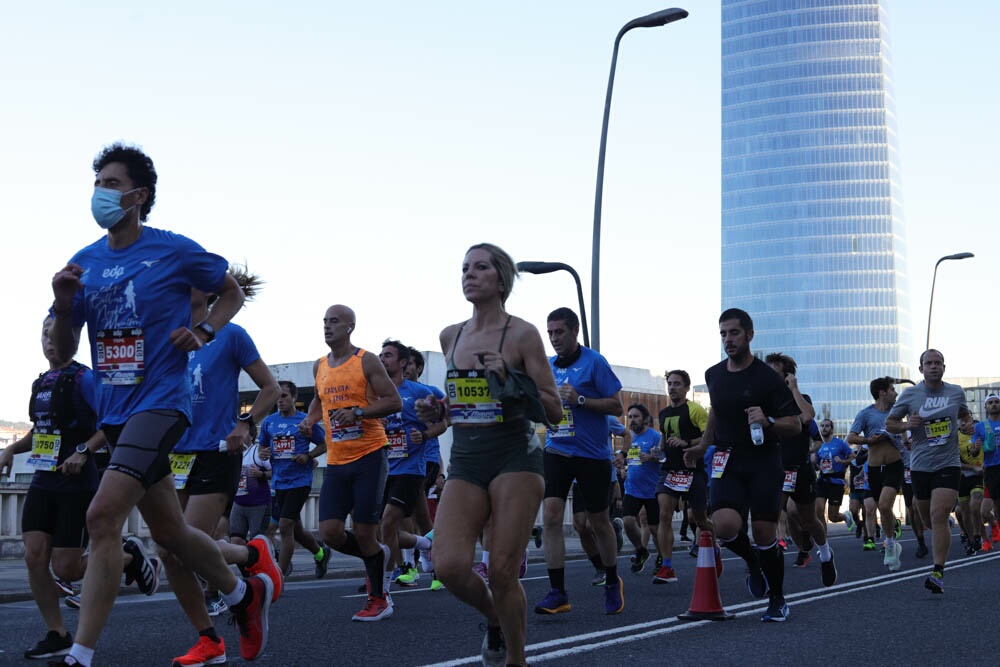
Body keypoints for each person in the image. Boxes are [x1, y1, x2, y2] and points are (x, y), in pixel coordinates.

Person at [49, 143, 273, 665]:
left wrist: (204, 330)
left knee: (103, 516)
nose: (100, 193)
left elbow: (231, 292)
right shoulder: (84, 262)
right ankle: (244, 594)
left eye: (110, 184)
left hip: (163, 404)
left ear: (138, 195)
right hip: (116, 413)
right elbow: (63, 352)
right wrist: (63, 307)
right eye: (97, 183)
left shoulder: (172, 250)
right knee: (170, 532)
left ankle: (80, 654)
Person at [415, 243, 562, 667]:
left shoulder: (522, 334)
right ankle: (495, 620)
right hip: (466, 459)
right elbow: (461, 401)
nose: (469, 274)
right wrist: (439, 409)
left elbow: (552, 410)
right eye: (464, 268)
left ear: (502, 279)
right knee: (448, 567)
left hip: (516, 456)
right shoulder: (450, 335)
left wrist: (511, 376)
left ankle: (516, 659)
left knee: (501, 570)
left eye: (480, 267)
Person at [0, 318, 158, 660]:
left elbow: (114, 420)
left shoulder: (86, 378)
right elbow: (39, 431)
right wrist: (11, 449)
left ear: (73, 337)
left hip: (77, 481)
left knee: (68, 569)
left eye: (57, 333)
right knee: (33, 556)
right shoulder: (40, 382)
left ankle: (128, 555)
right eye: (44, 333)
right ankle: (57, 633)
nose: (49, 339)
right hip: (44, 478)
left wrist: (84, 451)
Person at [162, 266, 283, 666]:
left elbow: (270, 387)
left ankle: (247, 595)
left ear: (208, 291)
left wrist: (245, 424)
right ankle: (210, 634)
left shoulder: (230, 335)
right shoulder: (171, 335)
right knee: (168, 550)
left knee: (185, 543)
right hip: (176, 455)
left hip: (217, 452)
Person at [684, 309, 801, 622]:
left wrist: (769, 420)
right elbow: (716, 414)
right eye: (723, 333)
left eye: (734, 333)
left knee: (764, 532)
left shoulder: (767, 378)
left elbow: (795, 425)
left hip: (764, 460)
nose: (728, 339)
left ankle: (777, 599)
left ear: (749, 335)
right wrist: (702, 446)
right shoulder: (714, 375)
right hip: (727, 459)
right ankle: (751, 561)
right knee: (723, 525)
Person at [301, 305, 402, 621]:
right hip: (337, 460)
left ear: (350, 326)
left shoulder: (366, 360)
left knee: (363, 531)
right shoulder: (320, 365)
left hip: (370, 455)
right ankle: (377, 556)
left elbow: (393, 401)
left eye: (334, 321)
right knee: (329, 532)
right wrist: (310, 418)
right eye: (324, 322)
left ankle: (378, 597)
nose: (327, 327)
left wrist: (358, 412)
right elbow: (320, 398)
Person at [535, 307, 625, 618]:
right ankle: (557, 591)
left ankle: (612, 580)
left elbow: (617, 405)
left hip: (592, 455)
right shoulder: (546, 367)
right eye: (550, 333)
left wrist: (581, 400)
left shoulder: (594, 362)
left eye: (559, 332)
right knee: (551, 516)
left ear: (574, 330)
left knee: (599, 521)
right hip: (557, 449)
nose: (554, 338)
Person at [885, 349, 974, 594]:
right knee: (926, 518)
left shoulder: (955, 392)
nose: (934, 366)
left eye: (938, 363)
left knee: (937, 514)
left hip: (948, 463)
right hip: (920, 464)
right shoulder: (911, 394)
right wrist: (905, 425)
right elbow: (890, 424)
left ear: (944, 367)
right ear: (921, 368)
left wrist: (967, 425)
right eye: (929, 363)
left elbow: (966, 416)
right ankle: (942, 523)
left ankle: (937, 571)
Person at [377, 340, 445, 586]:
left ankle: (397, 574)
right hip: (385, 468)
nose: (382, 360)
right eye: (380, 355)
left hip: (415, 466)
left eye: (388, 355)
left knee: (395, 520)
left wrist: (425, 435)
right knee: (410, 519)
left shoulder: (419, 391)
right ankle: (425, 547)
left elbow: (446, 417)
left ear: (404, 363)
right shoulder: (375, 393)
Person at [765, 353, 836, 585]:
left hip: (799, 469)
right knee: (771, 515)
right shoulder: (764, 400)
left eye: (775, 372)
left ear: (786, 376)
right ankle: (766, 566)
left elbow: (808, 416)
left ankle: (825, 553)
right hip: (775, 468)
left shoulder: (800, 398)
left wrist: (793, 388)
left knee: (808, 520)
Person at [258, 380, 329, 578]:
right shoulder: (269, 422)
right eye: (277, 397)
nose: (280, 400)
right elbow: (262, 447)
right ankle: (320, 553)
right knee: (295, 529)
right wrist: (263, 453)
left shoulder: (305, 421)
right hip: (279, 481)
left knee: (285, 525)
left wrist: (308, 456)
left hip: (300, 481)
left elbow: (324, 444)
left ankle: (278, 574)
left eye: (284, 396)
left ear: (294, 398)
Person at [654, 369, 717, 584]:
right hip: (670, 471)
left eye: (677, 384)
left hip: (693, 471)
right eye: (670, 384)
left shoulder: (695, 410)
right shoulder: (663, 414)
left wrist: (687, 444)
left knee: (699, 519)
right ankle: (667, 566)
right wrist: (658, 450)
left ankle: (714, 548)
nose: (672, 387)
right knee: (664, 515)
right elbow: (666, 438)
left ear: (687, 388)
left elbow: (710, 436)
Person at [849, 377, 904, 569]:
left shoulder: (896, 414)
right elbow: (851, 436)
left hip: (894, 465)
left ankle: (889, 544)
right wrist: (868, 440)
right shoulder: (865, 414)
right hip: (873, 468)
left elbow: (905, 439)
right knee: (883, 509)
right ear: (882, 392)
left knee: (883, 504)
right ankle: (891, 537)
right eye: (892, 390)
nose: (895, 394)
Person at [620, 405, 661, 575]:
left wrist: (652, 457)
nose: (632, 420)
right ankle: (641, 550)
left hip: (652, 490)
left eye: (635, 416)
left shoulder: (655, 436)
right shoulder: (629, 438)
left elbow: (664, 457)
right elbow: (629, 460)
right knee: (628, 521)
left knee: (654, 528)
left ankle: (662, 557)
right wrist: (623, 468)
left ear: (644, 419)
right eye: (629, 417)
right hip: (632, 488)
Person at [812, 419, 854, 528]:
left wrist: (842, 461)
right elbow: (816, 464)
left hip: (836, 482)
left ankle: (845, 516)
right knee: (818, 511)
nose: (824, 428)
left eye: (827, 426)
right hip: (822, 480)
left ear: (831, 429)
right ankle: (823, 541)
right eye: (822, 426)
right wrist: (816, 464)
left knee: (833, 517)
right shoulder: (818, 445)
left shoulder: (840, 443)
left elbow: (853, 457)